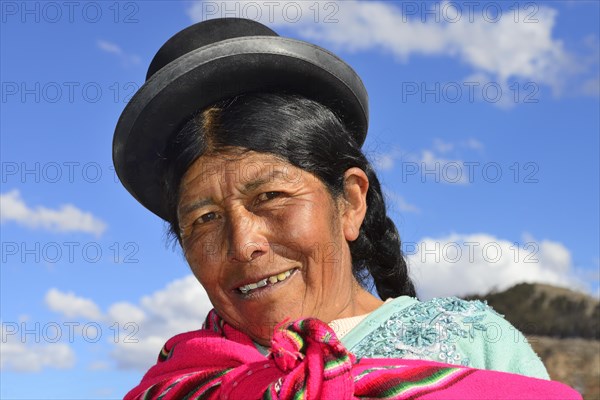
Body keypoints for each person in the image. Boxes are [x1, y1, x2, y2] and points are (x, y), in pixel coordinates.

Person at [114, 18, 581, 400]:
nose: (244, 244)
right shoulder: (183, 382)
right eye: (205, 219)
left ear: (351, 202)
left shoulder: (472, 345)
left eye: (271, 197)